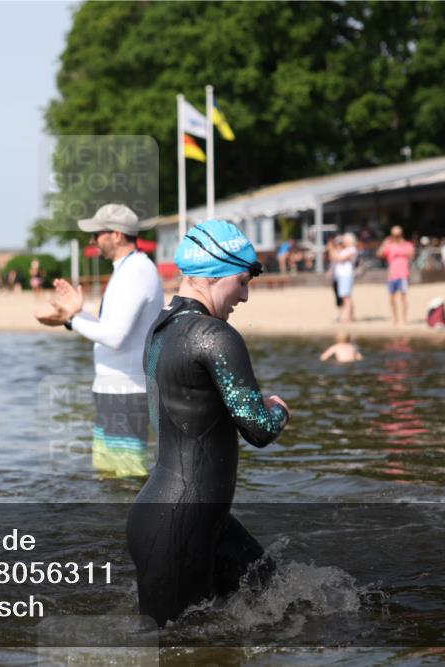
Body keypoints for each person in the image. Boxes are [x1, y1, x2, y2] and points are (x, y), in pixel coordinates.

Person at [125, 219, 289, 626]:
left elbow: (191, 402)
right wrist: (278, 409)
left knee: (282, 606)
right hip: (179, 524)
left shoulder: (161, 328)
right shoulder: (214, 335)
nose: (245, 296)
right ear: (215, 274)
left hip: (188, 518)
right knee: (177, 648)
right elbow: (259, 429)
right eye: (242, 282)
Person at [36, 203, 163, 478]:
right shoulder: (126, 269)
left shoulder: (137, 271)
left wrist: (71, 320)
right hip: (114, 390)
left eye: (97, 234)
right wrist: (77, 313)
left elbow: (115, 337)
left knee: (128, 478)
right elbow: (111, 329)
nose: (92, 241)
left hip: (127, 393)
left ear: (116, 235)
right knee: (109, 477)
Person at [377, 225, 415, 326]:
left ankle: (403, 319)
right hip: (392, 275)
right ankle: (395, 318)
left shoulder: (407, 244)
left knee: (403, 297)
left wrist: (401, 244)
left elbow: (412, 254)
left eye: (398, 235)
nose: (396, 237)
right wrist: (384, 244)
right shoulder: (389, 246)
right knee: (391, 298)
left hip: (403, 274)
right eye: (394, 235)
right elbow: (379, 254)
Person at [330, 233, 358, 323]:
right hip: (343, 276)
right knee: (347, 297)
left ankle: (348, 317)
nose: (343, 241)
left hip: (346, 275)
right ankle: (351, 316)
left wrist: (332, 248)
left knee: (346, 297)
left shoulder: (352, 249)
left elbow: (338, 258)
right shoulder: (346, 249)